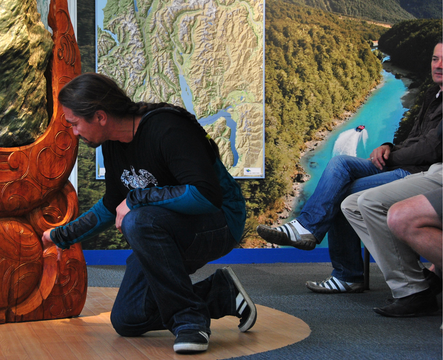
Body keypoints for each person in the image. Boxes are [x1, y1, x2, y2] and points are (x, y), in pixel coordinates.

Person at [41, 73, 256, 354]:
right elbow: (111, 205)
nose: (74, 132)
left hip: (221, 222)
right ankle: (219, 293)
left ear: (100, 116)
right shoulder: (113, 144)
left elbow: (206, 196)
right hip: (163, 229)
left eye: (75, 123)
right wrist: (61, 235)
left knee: (137, 219)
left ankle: (190, 320)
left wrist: (138, 198)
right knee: (128, 318)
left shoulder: (167, 128)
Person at [256, 41, 443, 293]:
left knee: (342, 192)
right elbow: (413, 136)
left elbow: (431, 149)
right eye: (434, 59)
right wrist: (388, 145)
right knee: (339, 164)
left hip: (416, 174)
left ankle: (346, 274)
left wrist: (392, 156)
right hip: (401, 163)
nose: (438, 66)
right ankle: (306, 227)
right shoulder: (433, 94)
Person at [341, 162, 442, 317]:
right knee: (350, 204)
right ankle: (419, 277)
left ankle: (412, 291)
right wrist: (390, 147)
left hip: (416, 167)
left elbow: (428, 147)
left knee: (369, 202)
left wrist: (394, 158)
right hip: (432, 168)